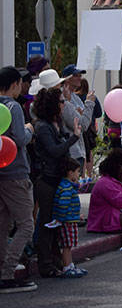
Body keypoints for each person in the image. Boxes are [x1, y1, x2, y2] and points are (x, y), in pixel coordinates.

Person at [30, 83, 80, 277]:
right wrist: (73, 137)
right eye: (60, 102)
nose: (63, 105)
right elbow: (54, 151)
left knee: (57, 223)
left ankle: (56, 260)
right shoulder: (42, 126)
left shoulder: (54, 124)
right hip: (47, 181)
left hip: (57, 179)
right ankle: (45, 264)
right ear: (52, 104)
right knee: (47, 223)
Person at [0, 66, 38, 293]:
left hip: (1, 173)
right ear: (14, 84)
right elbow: (20, 139)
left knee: (2, 224)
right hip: (16, 172)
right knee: (26, 224)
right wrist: (29, 129)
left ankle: (2, 270)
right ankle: (8, 271)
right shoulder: (13, 107)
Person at [48, 157, 87, 277]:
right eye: (77, 172)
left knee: (69, 245)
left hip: (70, 219)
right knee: (67, 245)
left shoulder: (68, 186)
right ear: (70, 173)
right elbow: (63, 204)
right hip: (66, 221)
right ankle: (67, 266)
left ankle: (70, 265)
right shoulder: (66, 187)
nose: (78, 174)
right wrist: (61, 218)